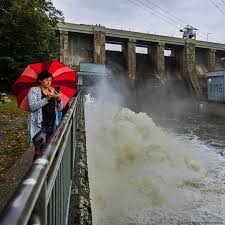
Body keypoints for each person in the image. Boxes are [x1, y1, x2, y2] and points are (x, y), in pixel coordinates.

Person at [27, 71, 62, 159]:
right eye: (46, 80)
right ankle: (36, 171)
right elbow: (32, 106)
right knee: (39, 151)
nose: (49, 82)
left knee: (48, 150)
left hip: (51, 123)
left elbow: (59, 109)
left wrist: (58, 99)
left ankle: (47, 170)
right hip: (38, 125)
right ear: (40, 80)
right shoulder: (34, 90)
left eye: (50, 80)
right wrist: (46, 98)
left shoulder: (53, 91)